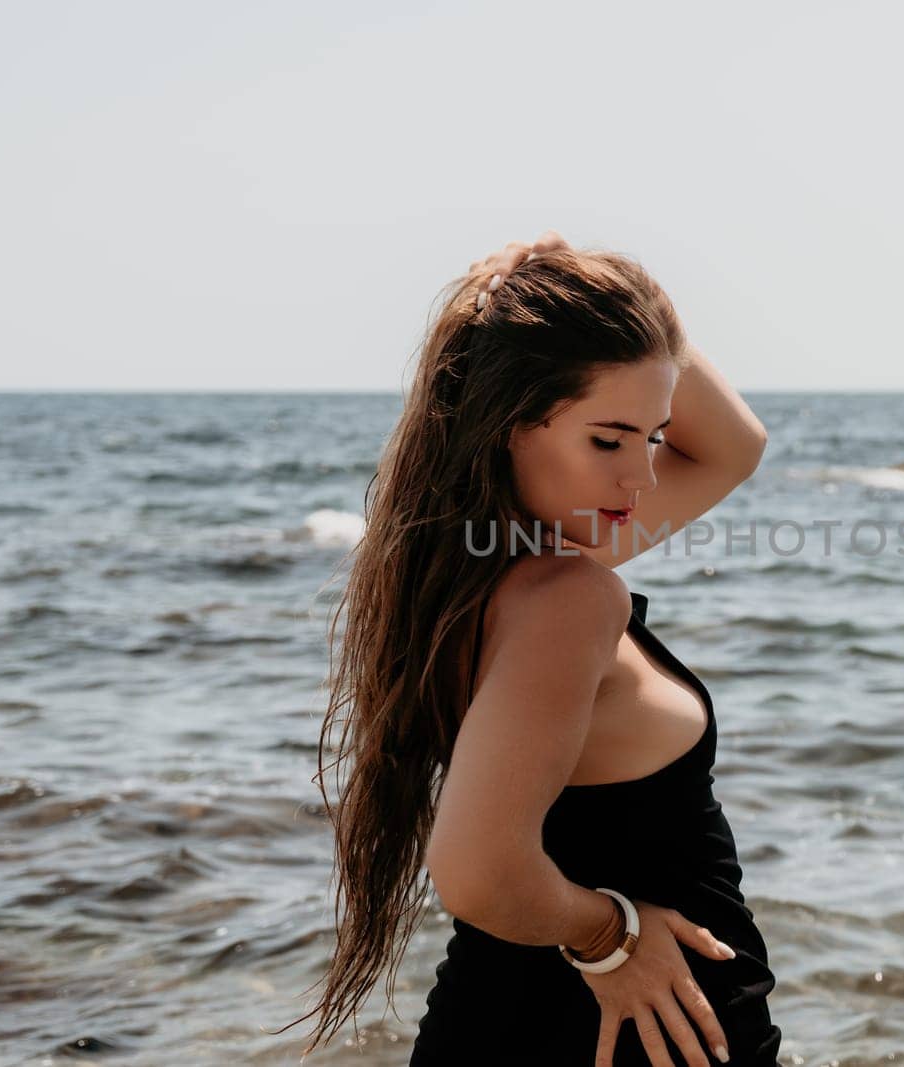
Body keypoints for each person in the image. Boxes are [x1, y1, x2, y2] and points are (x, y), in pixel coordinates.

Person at [279, 231, 781, 1065]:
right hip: (620, 1028)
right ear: (513, 422)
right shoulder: (566, 595)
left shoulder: (470, 568)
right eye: (609, 439)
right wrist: (611, 938)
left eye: (654, 435)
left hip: (539, 1017)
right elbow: (475, 867)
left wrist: (631, 313)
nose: (644, 477)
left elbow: (736, 446)